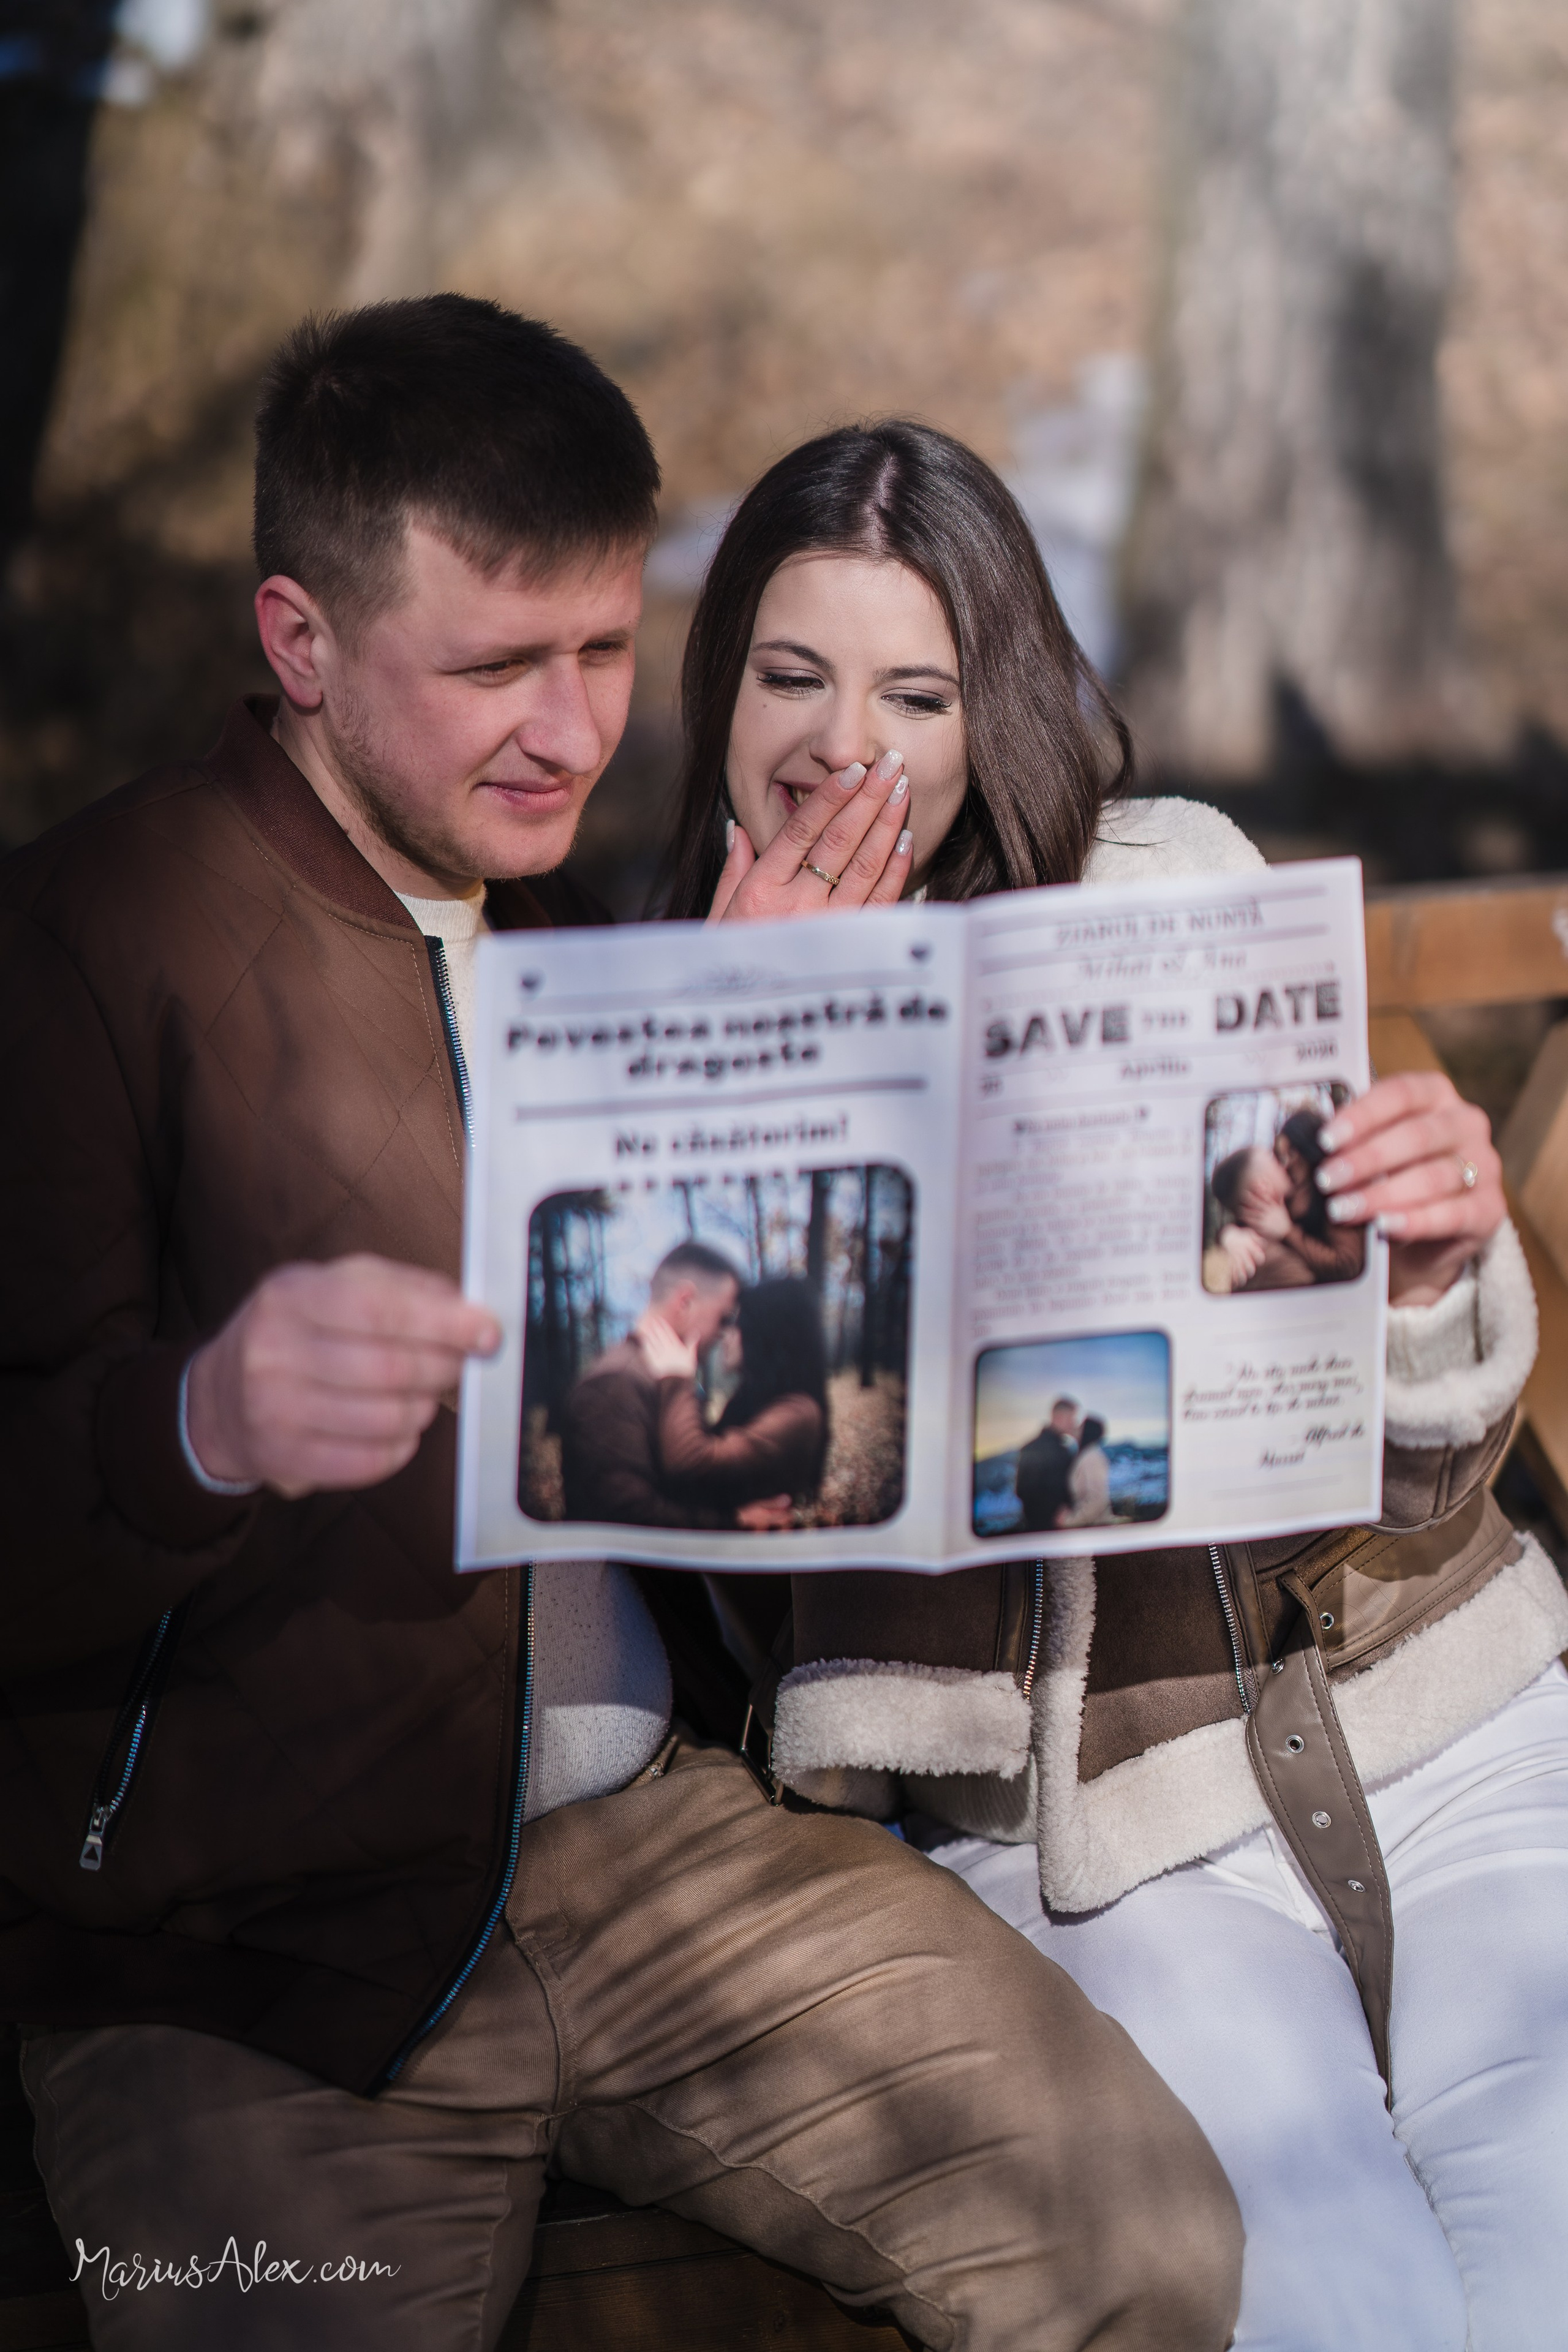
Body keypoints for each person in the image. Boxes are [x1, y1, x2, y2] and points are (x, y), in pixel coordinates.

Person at [0, 301, 1245, 2351]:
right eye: (497, 667)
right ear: (302, 643)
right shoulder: (88, 942)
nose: (574, 733)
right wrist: (197, 1424)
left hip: (657, 1855)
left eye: (601, 649)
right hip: (249, 1963)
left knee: (1146, 2238)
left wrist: (751, 1049)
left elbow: (720, 1427)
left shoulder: (590, 938)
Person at [662, 417, 1567, 2352]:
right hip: (1093, 1837)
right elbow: (724, 1567)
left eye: (915, 695)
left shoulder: (1165, 884)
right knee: (1349, 2317)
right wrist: (757, 1058)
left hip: (1443, 1718)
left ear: (991, 704)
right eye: (792, 677)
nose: (842, 746)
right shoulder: (647, 1019)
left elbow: (1416, 1475)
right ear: (717, 684)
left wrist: (1418, 1280)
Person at [654, 1276, 830, 1523]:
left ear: (765, 1333)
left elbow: (692, 1464)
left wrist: (678, 1379)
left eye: (736, 1324)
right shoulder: (755, 1399)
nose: (725, 1335)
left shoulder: (798, 1413)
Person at [1204, 1145, 1314, 1293]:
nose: (1285, 1166)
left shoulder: (1251, 1246)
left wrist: (1227, 1234)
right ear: (1262, 1187)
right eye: (1276, 1162)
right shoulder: (1283, 1267)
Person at [1275, 1107, 1365, 1282]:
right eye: (1281, 1156)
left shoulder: (1335, 1194)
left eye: (1291, 1153)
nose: (1286, 1164)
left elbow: (1346, 1264)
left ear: (1309, 1148)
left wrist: (1288, 1233)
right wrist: (1229, 1236)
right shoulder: (1286, 1194)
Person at [1014, 1398, 1081, 1532]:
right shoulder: (1059, 1451)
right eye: (1072, 1418)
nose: (1074, 1423)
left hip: (1039, 1526)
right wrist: (1058, 1512)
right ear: (1059, 1417)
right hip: (1051, 1528)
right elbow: (1025, 1490)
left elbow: (1021, 1490)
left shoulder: (1031, 1448)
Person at [1057, 1417, 1112, 1529]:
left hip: (1095, 1529)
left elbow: (1097, 1500)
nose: (1076, 1428)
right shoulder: (1086, 1455)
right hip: (1090, 1528)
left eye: (1081, 1426)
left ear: (1088, 1431)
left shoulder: (1092, 1457)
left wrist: (1071, 1521)